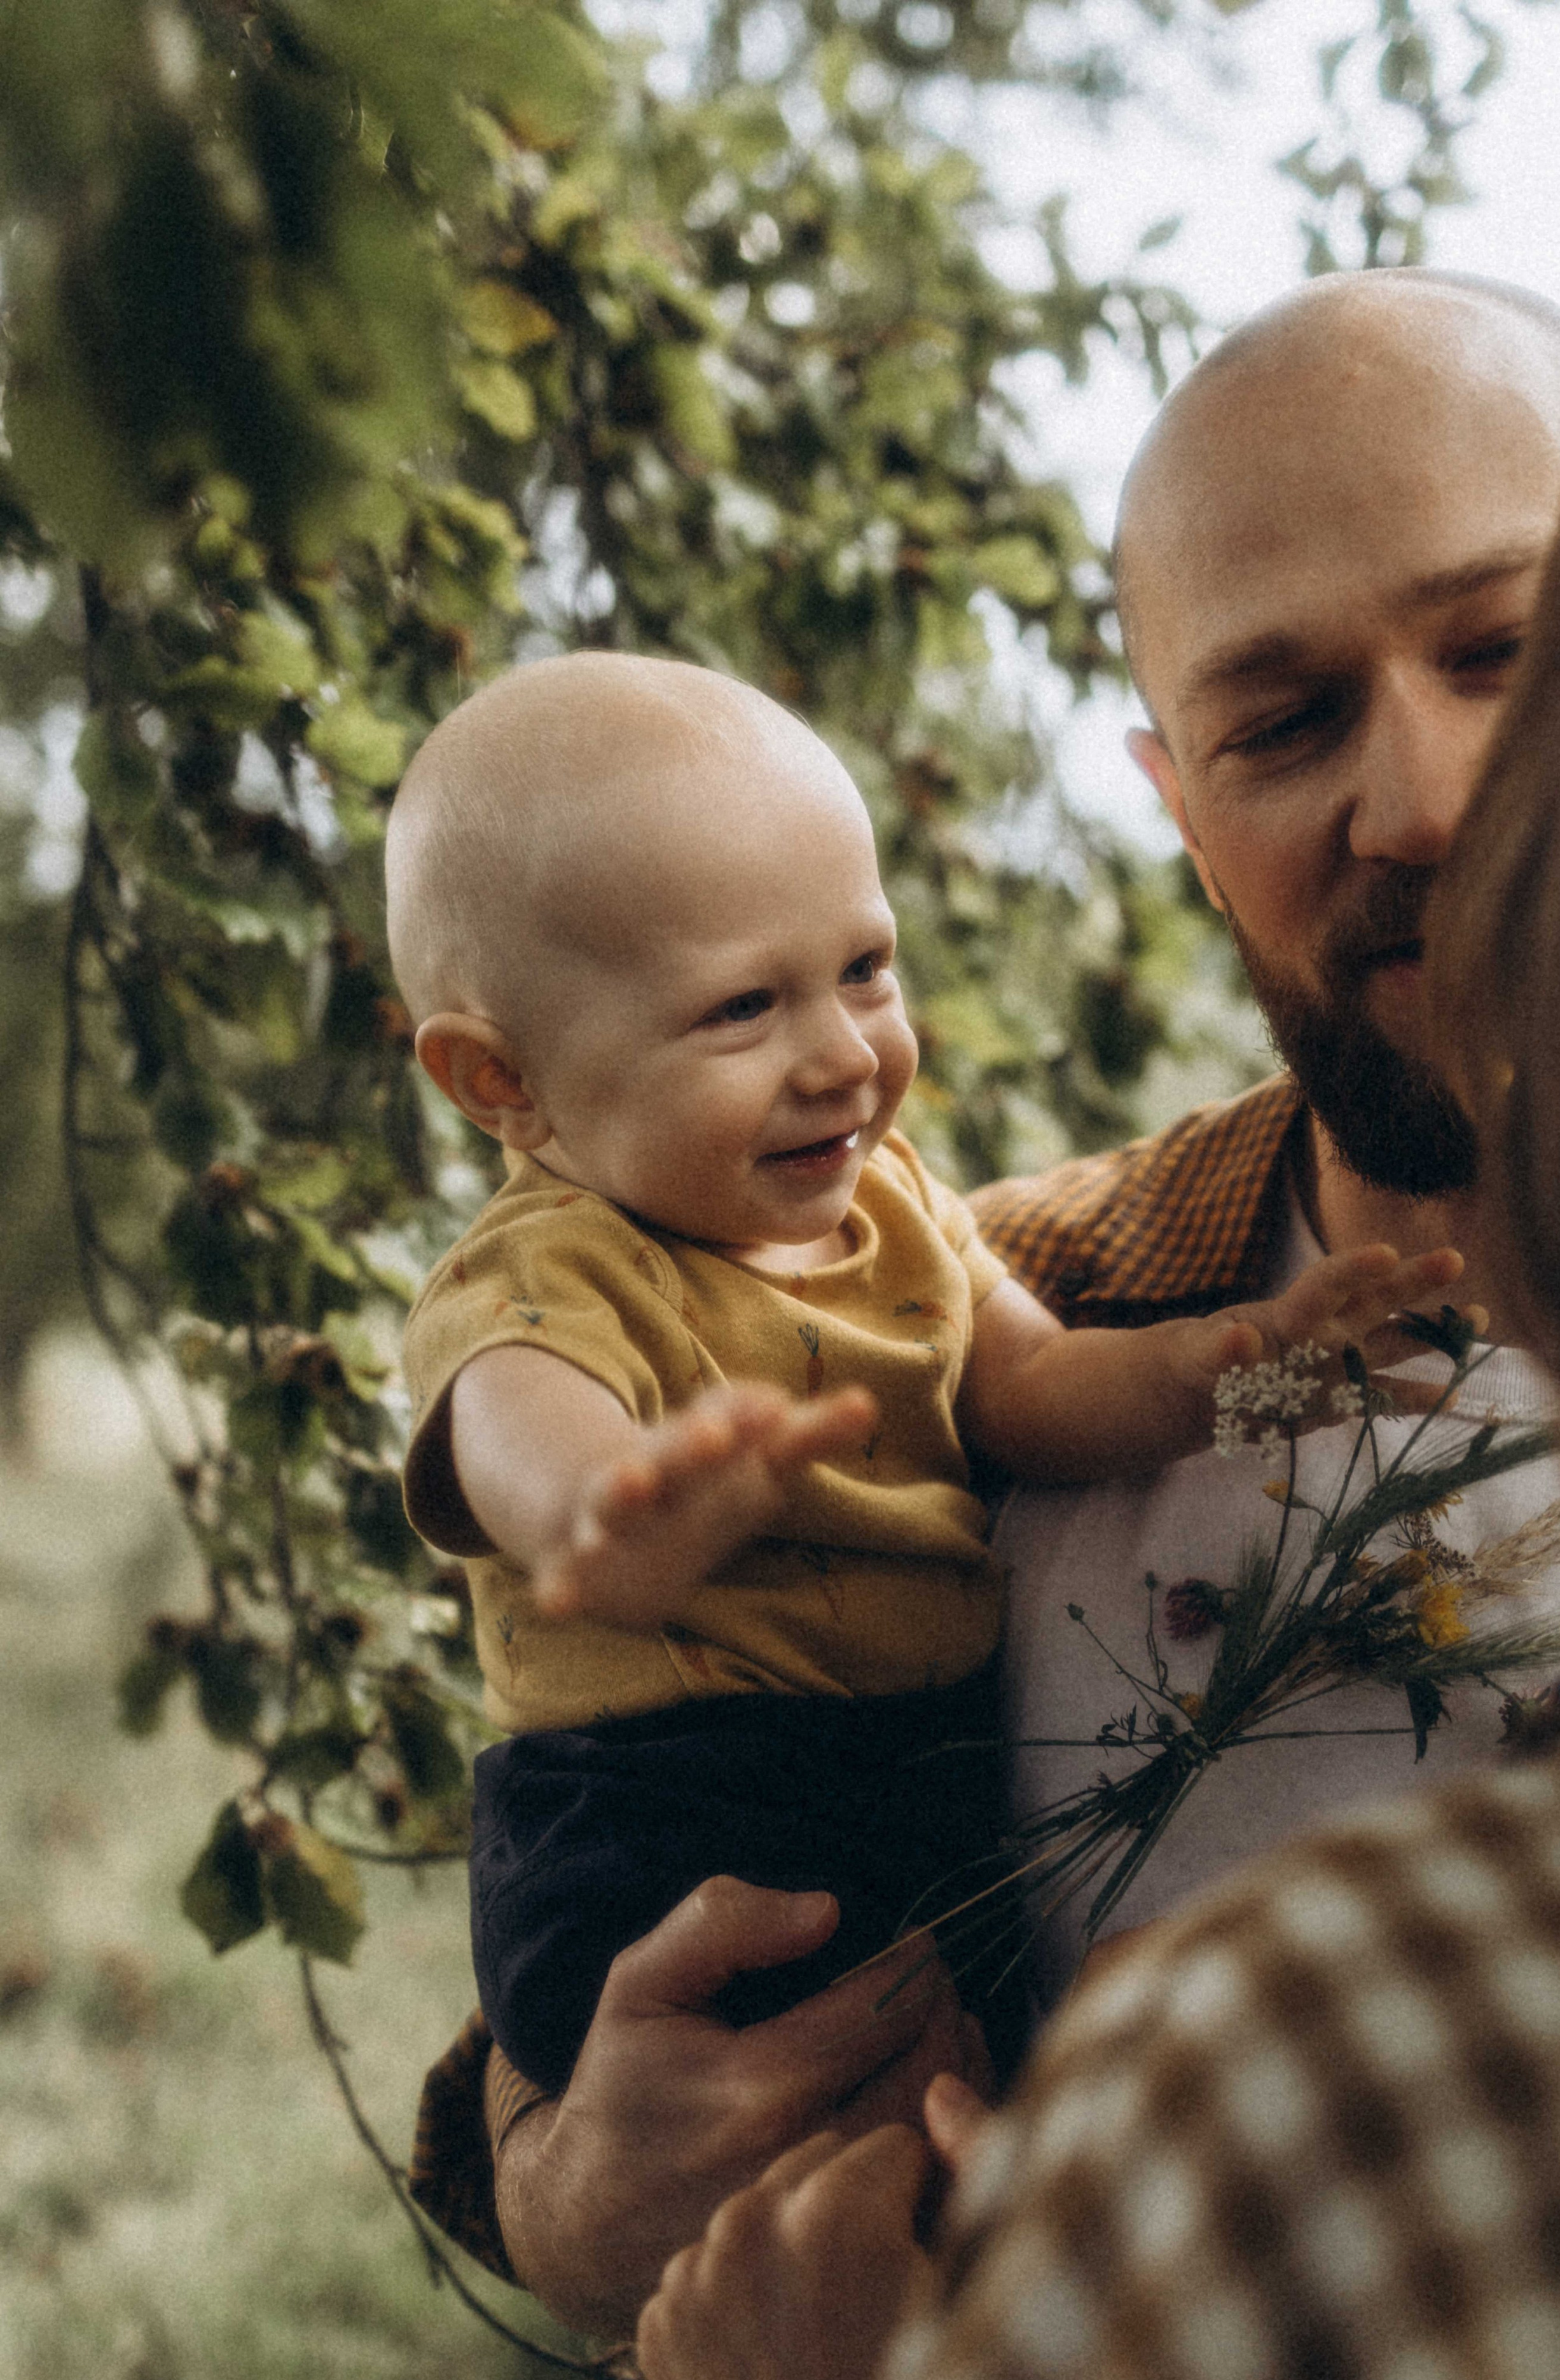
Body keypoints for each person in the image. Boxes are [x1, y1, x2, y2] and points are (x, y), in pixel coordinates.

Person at [404, 266, 1560, 2332]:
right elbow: (635, 1906)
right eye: (1286, 720)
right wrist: (557, 2186)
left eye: (1503, 653)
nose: (1418, 802)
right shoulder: (1007, 1311)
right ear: (1181, 813)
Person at [386, 650, 1444, 2099]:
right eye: (741, 1010)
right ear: (500, 1082)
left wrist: (1249, 1378)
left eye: (864, 970)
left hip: (918, 1776)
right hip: (675, 1811)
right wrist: (605, 1512)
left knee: (976, 2092)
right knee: (847, 2122)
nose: (841, 1055)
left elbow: (1036, 1392)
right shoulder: (546, 1269)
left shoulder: (888, 1203)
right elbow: (517, 1418)